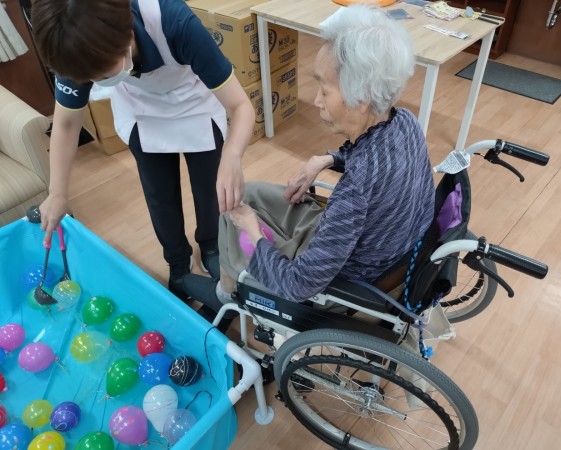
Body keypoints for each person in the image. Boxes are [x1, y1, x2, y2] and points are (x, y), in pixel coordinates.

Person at [183, 4, 436, 327]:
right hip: (377, 246)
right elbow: (381, 164)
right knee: (245, 195)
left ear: (361, 99)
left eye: (324, 90)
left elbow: (298, 285)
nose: (316, 100)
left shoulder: (356, 191)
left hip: (338, 278)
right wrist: (329, 158)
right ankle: (230, 275)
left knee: (236, 219)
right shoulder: (405, 122)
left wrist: (254, 233)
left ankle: (228, 293)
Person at [31, 0, 255, 300]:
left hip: (195, 105)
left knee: (210, 191)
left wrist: (233, 155)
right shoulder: (73, 47)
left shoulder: (174, 22)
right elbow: (67, 123)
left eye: (104, 74)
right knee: (160, 197)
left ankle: (212, 246)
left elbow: (241, 106)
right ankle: (178, 262)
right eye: (92, 80)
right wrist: (57, 192)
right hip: (141, 113)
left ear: (127, 34)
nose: (97, 83)